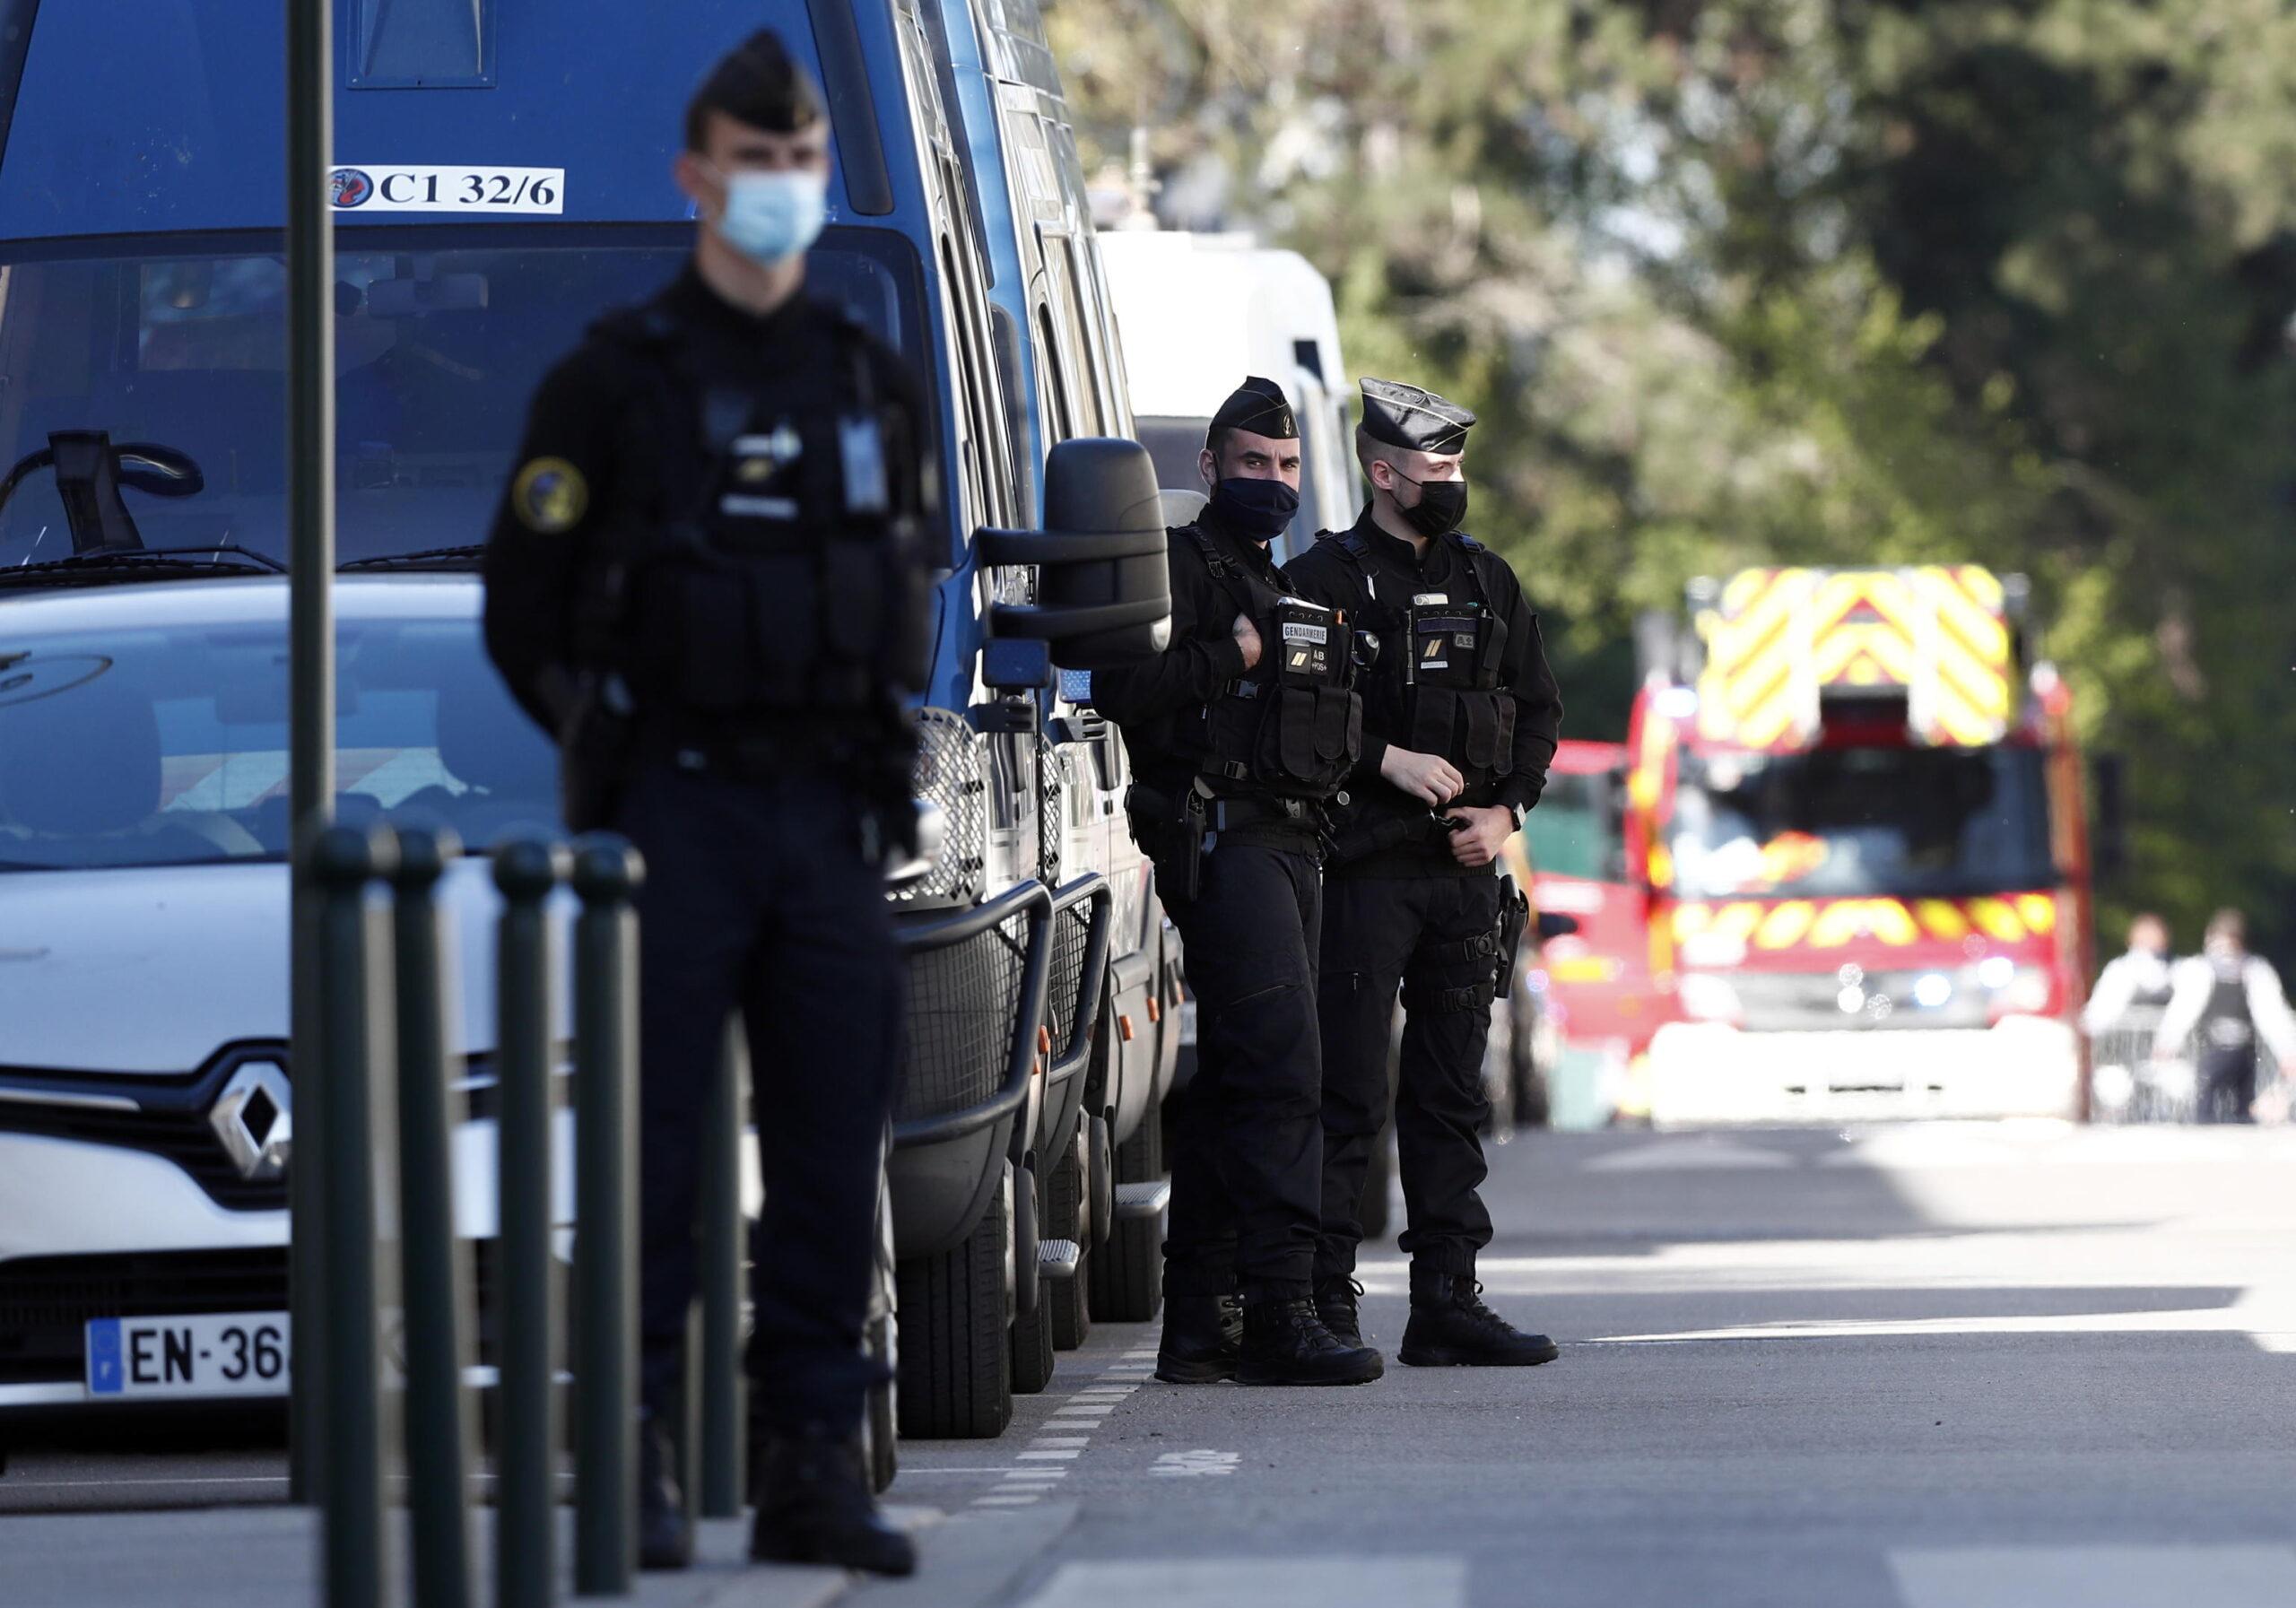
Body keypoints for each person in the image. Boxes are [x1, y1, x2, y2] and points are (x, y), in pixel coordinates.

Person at [483, 30, 928, 1577]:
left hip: (827, 819)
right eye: (755, 164)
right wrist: (600, 742)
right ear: (695, 175)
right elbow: (520, 607)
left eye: (804, 165)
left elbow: (906, 587)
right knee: (656, 1154)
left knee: (824, 1159)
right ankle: (641, 1457)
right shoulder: (612, 381)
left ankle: (812, 1463)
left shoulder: (868, 380)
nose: (780, 191)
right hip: (674, 813)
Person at [1093, 377, 1384, 1388]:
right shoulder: (1180, 567)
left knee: (1236, 1083)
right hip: (1221, 839)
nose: (1272, 481)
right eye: (1252, 464)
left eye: (1287, 466)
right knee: (1281, 1077)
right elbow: (1122, 690)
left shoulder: (1284, 579)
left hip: (1294, 843)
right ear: (1209, 466)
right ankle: (1281, 1308)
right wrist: (1234, 652)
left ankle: (1202, 1319)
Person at [1286, 378, 1563, 1367]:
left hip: (1462, 880)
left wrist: (1505, 812)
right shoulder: (1325, 577)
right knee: (1349, 1094)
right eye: (1435, 468)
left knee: (1449, 1098)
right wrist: (1383, 761)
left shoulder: (1489, 580)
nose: (1451, 483)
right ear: (1382, 470)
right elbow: (1292, 709)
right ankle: (1323, 1303)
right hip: (1362, 873)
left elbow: (1537, 714)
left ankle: (1446, 1299)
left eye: (1456, 467)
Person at [2153, 909, 2296, 1125]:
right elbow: (2183, 1011)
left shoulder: (2254, 971)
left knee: (2239, 1114)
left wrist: (2288, 1052)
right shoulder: (2202, 969)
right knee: (2208, 1110)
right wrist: (2167, 1042)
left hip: (2241, 1057)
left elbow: (2272, 1015)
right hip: (2213, 1055)